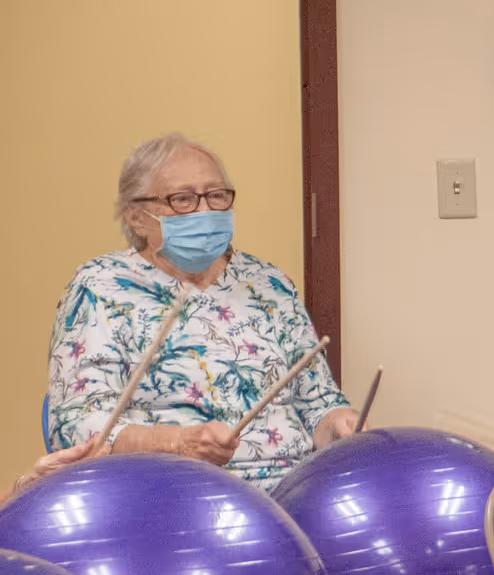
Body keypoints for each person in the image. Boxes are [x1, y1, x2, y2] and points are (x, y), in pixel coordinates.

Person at [45, 134, 357, 491]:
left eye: (217, 196)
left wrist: (339, 422)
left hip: (293, 493)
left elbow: (317, 404)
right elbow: (75, 425)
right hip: (171, 497)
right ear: (136, 217)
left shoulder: (268, 284)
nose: (206, 211)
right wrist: (178, 443)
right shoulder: (100, 287)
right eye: (183, 200)